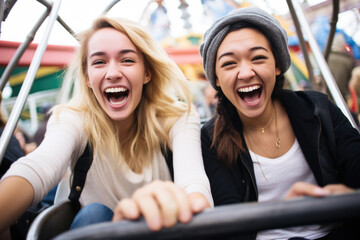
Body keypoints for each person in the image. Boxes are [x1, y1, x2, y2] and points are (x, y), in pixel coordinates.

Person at [0, 15, 213, 236]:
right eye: (99, 62)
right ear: (87, 78)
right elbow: (39, 167)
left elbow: (194, 183)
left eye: (127, 60)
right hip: (90, 229)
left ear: (147, 72)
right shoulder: (72, 118)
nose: (112, 74)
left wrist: (191, 206)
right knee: (95, 214)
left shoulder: (178, 117)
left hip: (159, 233)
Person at [199, 7, 360, 240]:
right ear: (215, 78)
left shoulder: (318, 109)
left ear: (277, 66)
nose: (245, 72)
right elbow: (230, 220)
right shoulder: (209, 138)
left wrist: (345, 196)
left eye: (258, 58)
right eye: (229, 64)